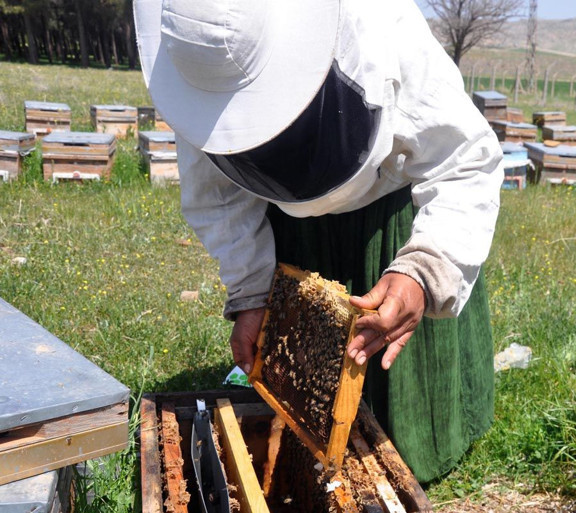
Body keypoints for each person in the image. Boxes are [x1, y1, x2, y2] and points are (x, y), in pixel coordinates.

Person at [135, 0, 503, 482]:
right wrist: (252, 294)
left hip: (386, 218)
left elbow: (464, 158)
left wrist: (423, 269)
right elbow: (218, 198)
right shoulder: (198, 64)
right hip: (295, 236)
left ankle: (425, 437)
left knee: (405, 421)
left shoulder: (380, 24)